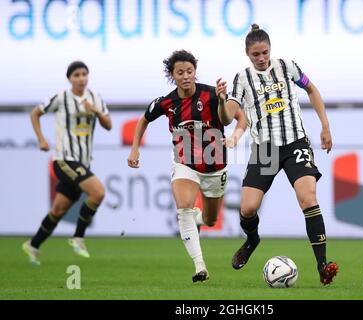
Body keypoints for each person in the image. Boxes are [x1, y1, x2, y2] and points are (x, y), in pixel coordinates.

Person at [217, 24, 339, 285]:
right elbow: (227, 116)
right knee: (248, 208)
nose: (261, 59)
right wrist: (220, 100)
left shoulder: (287, 66)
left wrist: (325, 125)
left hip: (296, 144)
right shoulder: (242, 79)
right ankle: (252, 240)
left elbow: (312, 89)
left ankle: (322, 266)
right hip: (265, 149)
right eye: (255, 55)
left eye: (264, 53)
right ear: (247, 54)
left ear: (270, 49)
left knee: (308, 199)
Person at [127, 50, 247, 282]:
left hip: (215, 167)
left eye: (189, 71)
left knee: (210, 220)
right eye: (180, 72)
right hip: (185, 164)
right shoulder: (166, 102)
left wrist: (233, 136)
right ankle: (200, 267)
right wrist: (134, 148)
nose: (185, 76)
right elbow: (144, 119)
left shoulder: (212, 94)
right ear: (172, 75)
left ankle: (198, 219)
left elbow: (238, 118)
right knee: (184, 207)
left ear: (195, 72)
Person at [22, 61, 112, 266]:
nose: (81, 78)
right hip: (63, 159)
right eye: (76, 75)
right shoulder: (61, 97)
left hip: (83, 162)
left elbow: (108, 125)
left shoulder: (95, 98)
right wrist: (41, 139)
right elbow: (35, 113)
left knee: (59, 210)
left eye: (84, 74)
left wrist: (96, 112)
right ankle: (78, 238)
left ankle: (33, 245)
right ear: (70, 79)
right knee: (98, 192)